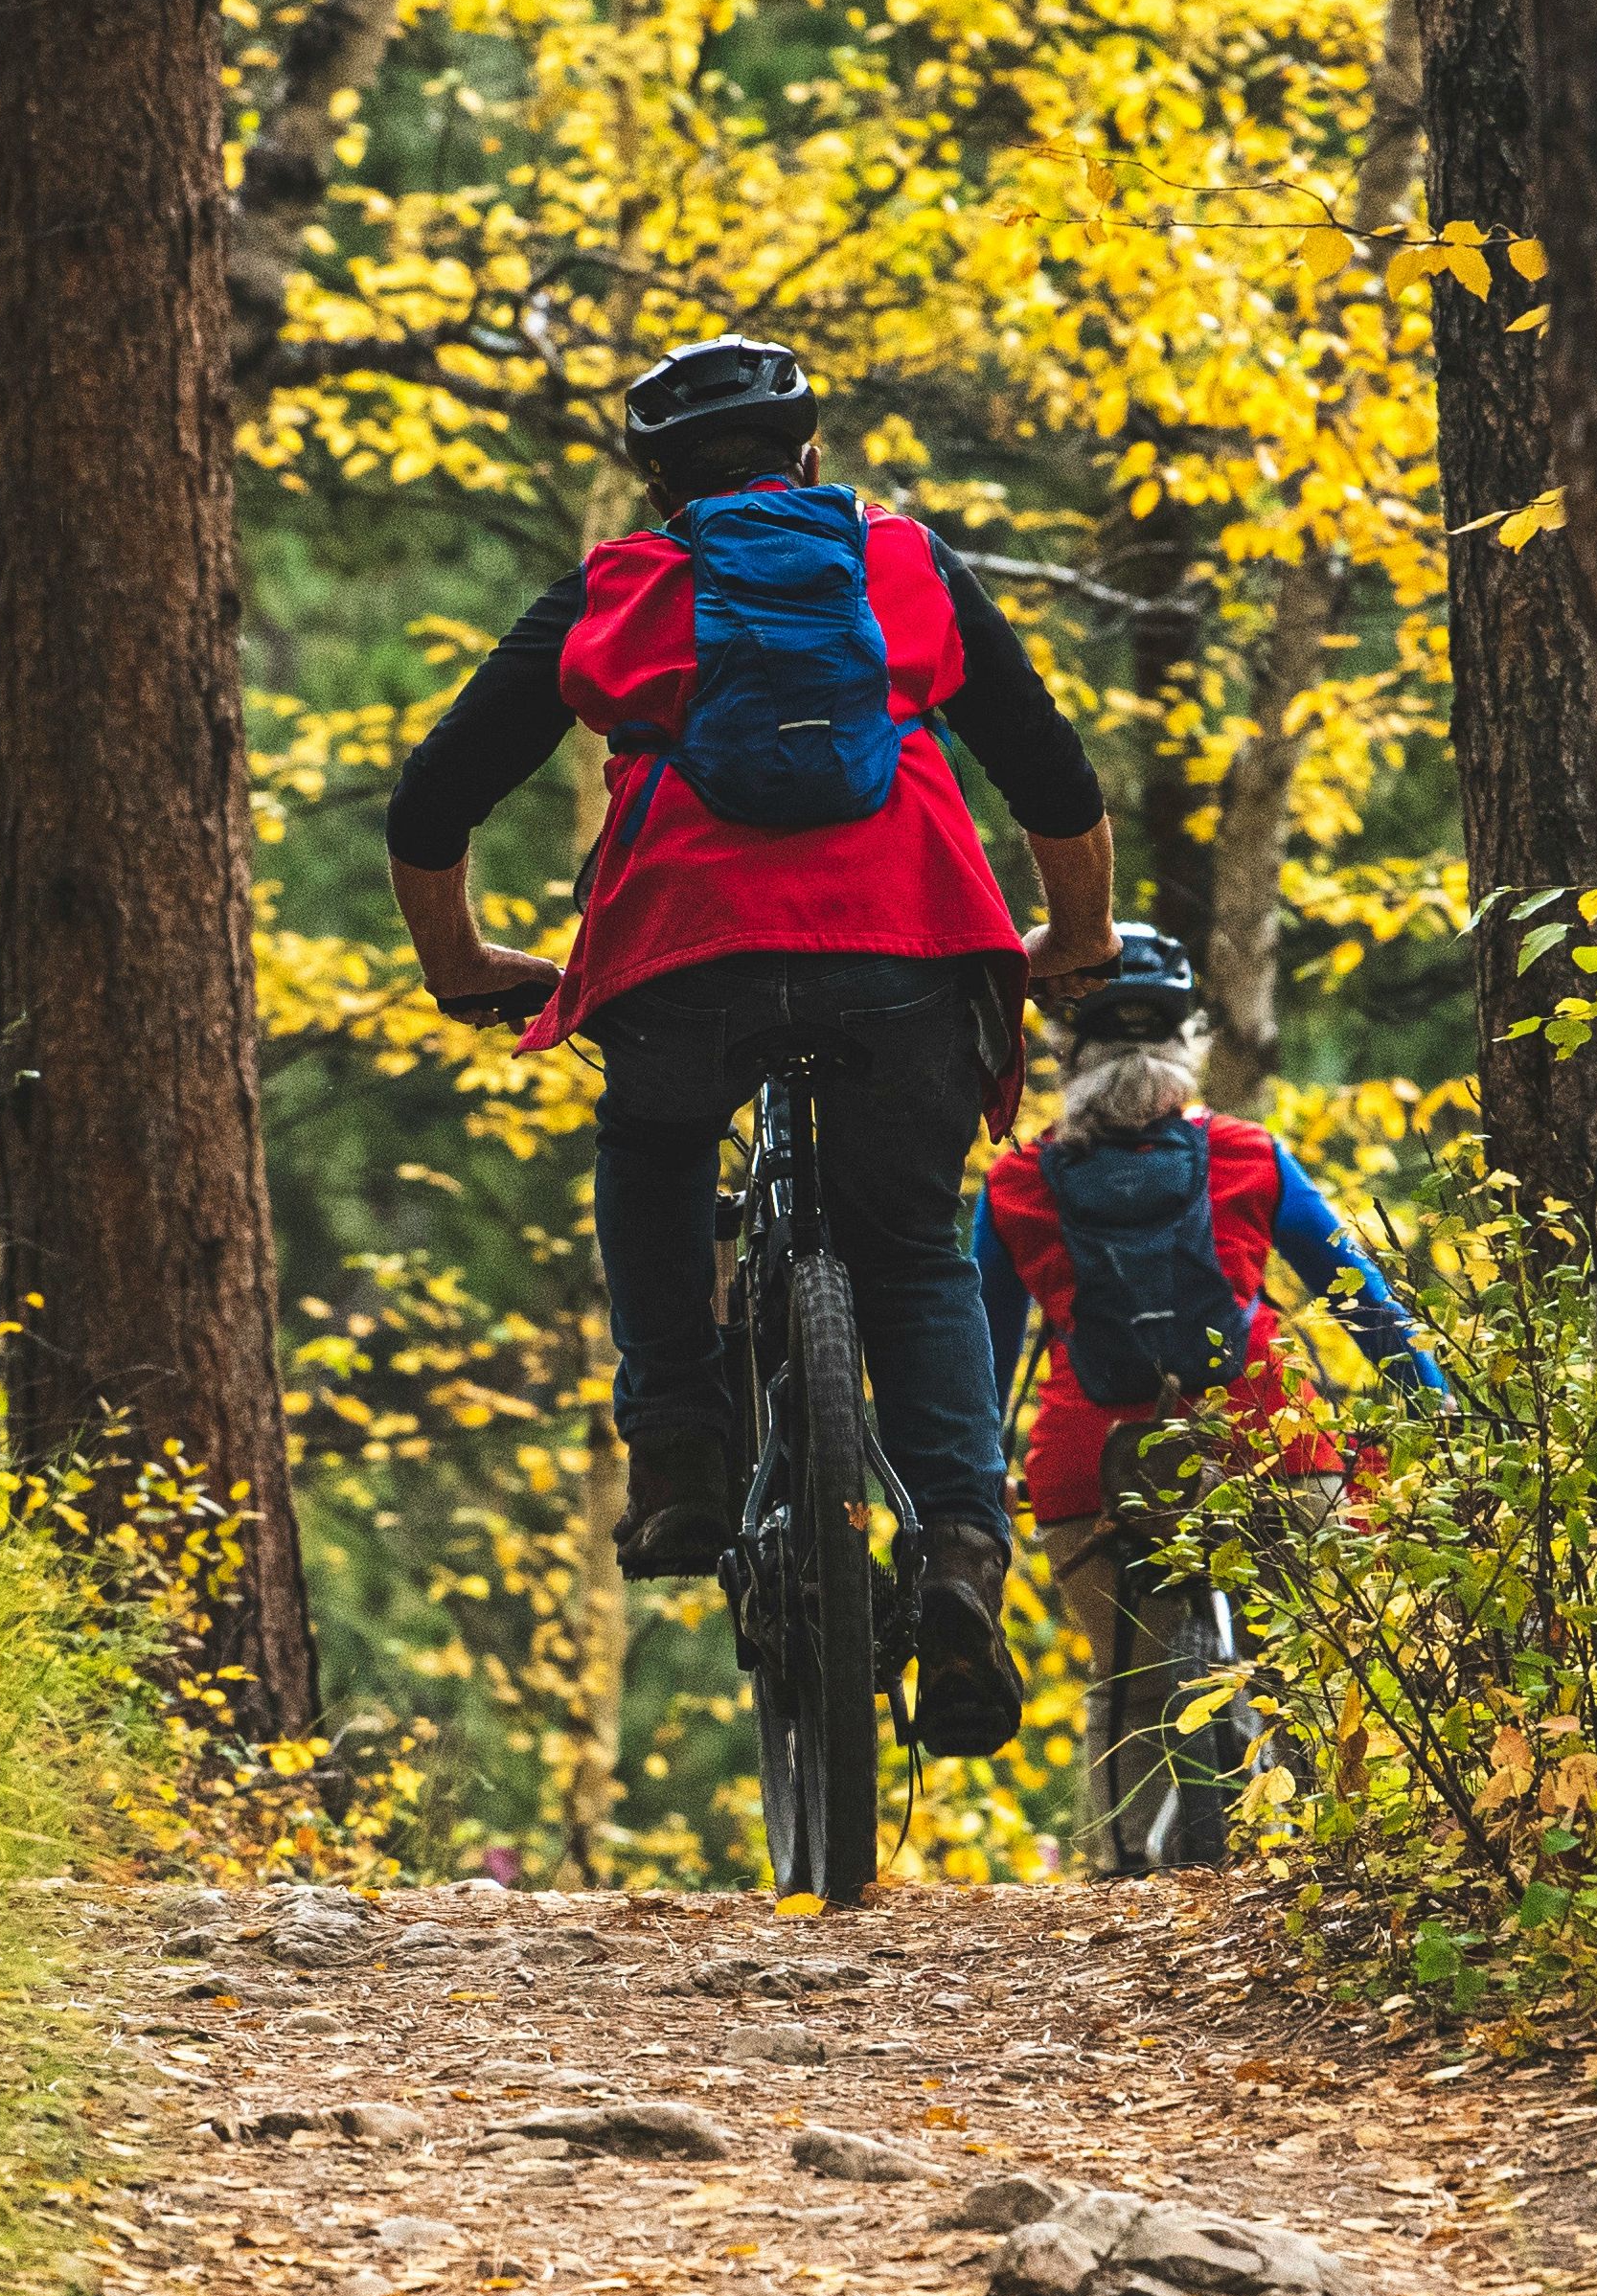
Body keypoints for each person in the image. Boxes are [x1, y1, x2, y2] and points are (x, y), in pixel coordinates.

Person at [381, 333, 1118, 1754]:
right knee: (908, 1247)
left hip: (682, 950)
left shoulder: (617, 589)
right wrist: (1072, 940)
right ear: (811, 454)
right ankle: (961, 1552)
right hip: (904, 943)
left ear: (657, 483)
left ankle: (676, 1450)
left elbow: (433, 799)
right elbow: (1052, 773)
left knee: (655, 1145)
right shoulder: (903, 563)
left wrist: (461, 964)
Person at [971, 927, 1442, 1872]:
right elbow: (1363, 1300)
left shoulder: (1019, 1181)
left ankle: (1120, 1894)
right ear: (1187, 1042)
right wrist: (1433, 1412)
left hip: (1092, 1467)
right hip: (1267, 1445)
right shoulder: (1249, 1153)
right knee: (1307, 1663)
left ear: (1066, 1054)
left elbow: (978, 1350)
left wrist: (970, 1478)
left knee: (1128, 1684)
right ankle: (1342, 1870)